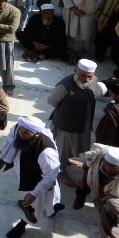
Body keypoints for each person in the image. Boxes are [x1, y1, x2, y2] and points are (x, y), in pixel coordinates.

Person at [0, 116, 61, 238]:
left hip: (38, 180)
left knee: (35, 204)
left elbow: (50, 176)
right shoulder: (18, 129)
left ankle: (23, 224)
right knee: (47, 200)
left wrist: (34, 194)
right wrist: (3, 155)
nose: (21, 134)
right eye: (20, 130)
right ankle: (52, 209)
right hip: (24, 170)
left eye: (26, 133)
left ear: (38, 133)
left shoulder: (46, 153)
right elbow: (9, 141)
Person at [47, 59, 104, 188]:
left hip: (82, 122)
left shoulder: (94, 81)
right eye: (83, 75)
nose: (86, 79)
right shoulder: (64, 86)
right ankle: (59, 171)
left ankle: (66, 160)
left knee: (72, 146)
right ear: (75, 71)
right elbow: (52, 101)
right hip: (65, 124)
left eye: (90, 76)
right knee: (62, 147)